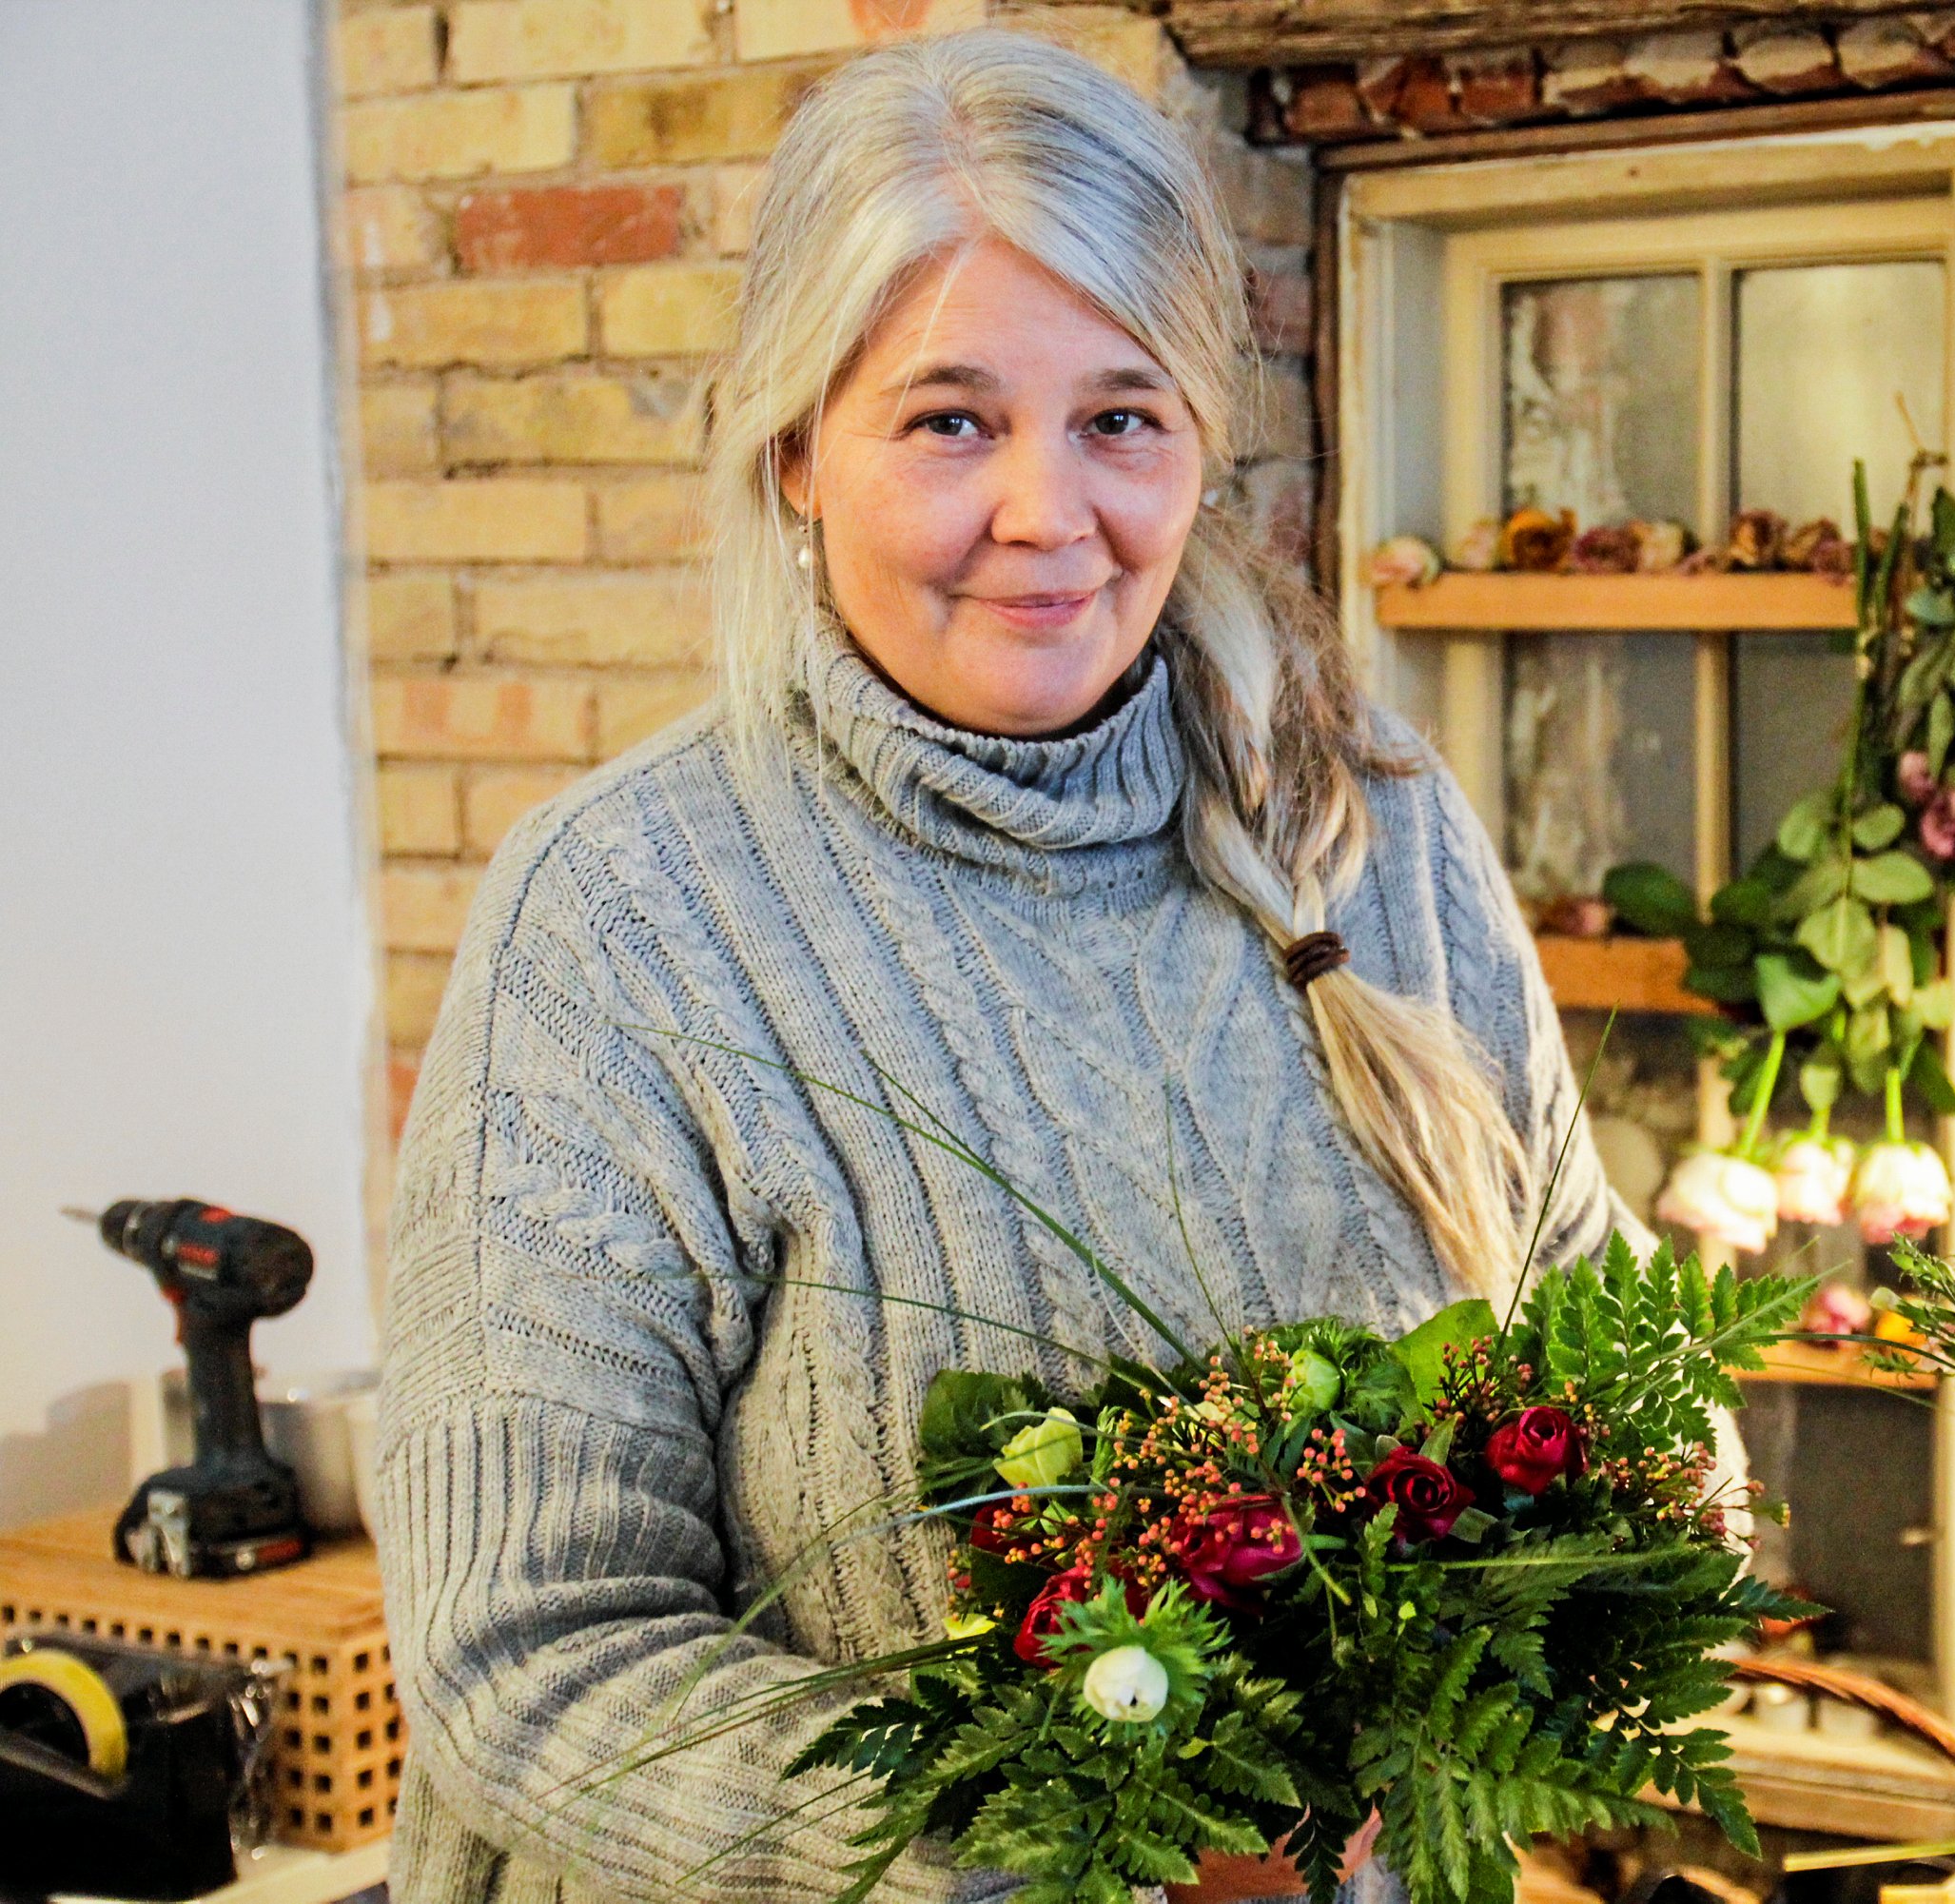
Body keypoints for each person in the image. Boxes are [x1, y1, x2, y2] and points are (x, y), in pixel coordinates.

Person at [375, 30, 1624, 1904]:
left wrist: (1576, 1626)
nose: (1049, 512)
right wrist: (1066, 1859)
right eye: (952, 419)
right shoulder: (624, 917)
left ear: (1201, 442)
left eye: (1120, 415)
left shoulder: (1375, 822)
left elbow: (1607, 1368)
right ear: (795, 448)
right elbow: (529, 1654)